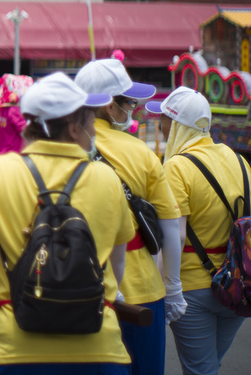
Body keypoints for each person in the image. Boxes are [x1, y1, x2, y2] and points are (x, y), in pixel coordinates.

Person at [0, 72, 133, 374]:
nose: (93, 129)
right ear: (75, 128)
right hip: (99, 350)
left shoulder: (1, 171)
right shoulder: (107, 178)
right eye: (89, 121)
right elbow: (117, 263)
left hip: (16, 352)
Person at [75, 59, 184, 375]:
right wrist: (174, 288)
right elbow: (172, 230)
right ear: (110, 106)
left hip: (74, 290)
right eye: (130, 102)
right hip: (141, 293)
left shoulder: (59, 147)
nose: (134, 109)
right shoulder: (141, 153)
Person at [148, 87, 251, 375]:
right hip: (239, 286)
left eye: (163, 120)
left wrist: (168, 290)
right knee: (208, 366)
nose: (161, 126)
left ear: (176, 125)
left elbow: (176, 234)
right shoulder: (239, 161)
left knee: (200, 370)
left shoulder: (176, 167)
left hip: (193, 291)